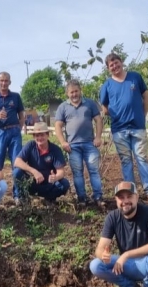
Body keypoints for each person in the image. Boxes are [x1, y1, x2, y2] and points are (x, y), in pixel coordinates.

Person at [90, 181, 148, 287]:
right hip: (125, 266)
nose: (125, 201)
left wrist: (126, 254)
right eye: (121, 197)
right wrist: (103, 255)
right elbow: (100, 248)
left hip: (146, 263)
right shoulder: (112, 217)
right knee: (96, 265)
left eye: (129, 196)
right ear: (116, 200)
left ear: (136, 197)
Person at [100, 53, 148, 206]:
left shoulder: (135, 77)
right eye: (111, 65)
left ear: (121, 62)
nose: (115, 66)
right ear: (108, 69)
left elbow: (146, 97)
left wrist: (142, 115)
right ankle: (132, 194)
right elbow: (104, 107)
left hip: (137, 127)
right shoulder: (107, 85)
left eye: (116, 62)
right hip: (119, 130)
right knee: (126, 161)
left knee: (142, 159)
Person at [55, 79, 105, 209]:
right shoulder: (63, 107)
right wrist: (62, 142)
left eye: (76, 91)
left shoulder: (89, 104)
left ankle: (98, 197)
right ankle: (82, 198)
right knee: (77, 173)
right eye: (71, 92)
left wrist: (98, 137)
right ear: (67, 93)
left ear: (80, 90)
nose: (74, 94)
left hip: (90, 144)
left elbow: (98, 120)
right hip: (73, 146)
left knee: (94, 171)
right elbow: (58, 126)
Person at [0, 72, 25, 201]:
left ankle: (18, 195)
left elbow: (21, 115)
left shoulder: (15, 96)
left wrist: (18, 128)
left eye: (6, 81)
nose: (4, 83)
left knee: (17, 163)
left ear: (10, 82)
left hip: (14, 131)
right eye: (1, 80)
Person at [13, 122, 70, 205]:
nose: (40, 138)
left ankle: (49, 198)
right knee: (16, 172)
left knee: (64, 184)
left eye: (42, 135)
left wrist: (55, 177)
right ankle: (21, 198)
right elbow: (17, 162)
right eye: (37, 135)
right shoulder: (30, 145)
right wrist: (34, 171)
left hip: (49, 184)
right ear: (34, 137)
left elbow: (61, 172)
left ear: (47, 135)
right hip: (33, 182)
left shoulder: (55, 149)